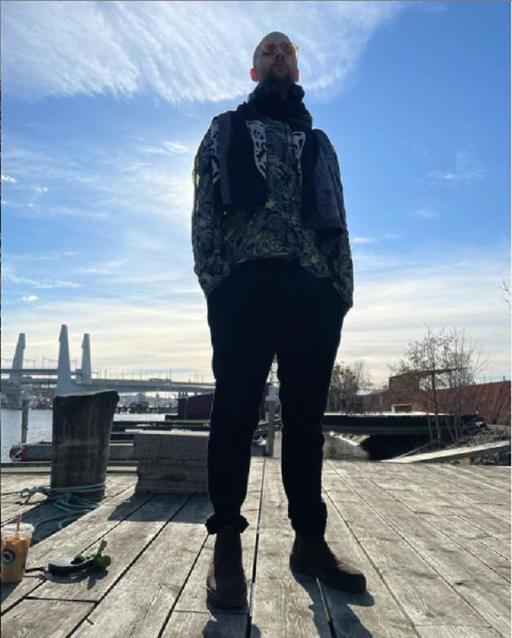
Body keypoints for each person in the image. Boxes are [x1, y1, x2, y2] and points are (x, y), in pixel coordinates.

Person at [192, 31, 366, 609]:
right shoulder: (226, 129)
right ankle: (226, 543)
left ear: (297, 68)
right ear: (253, 70)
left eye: (287, 51)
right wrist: (217, 283)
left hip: (311, 290)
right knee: (234, 415)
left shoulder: (319, 142)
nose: (278, 58)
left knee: (306, 423)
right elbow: (204, 212)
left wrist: (339, 292)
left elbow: (339, 219)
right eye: (268, 51)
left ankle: (309, 542)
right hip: (244, 286)